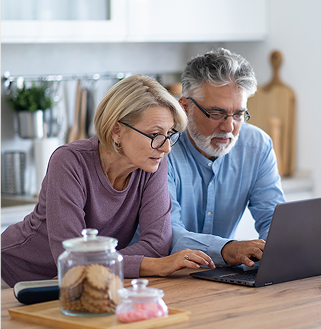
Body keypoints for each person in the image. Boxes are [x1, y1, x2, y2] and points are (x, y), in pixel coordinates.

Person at [1, 74, 215, 289]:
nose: (166, 147)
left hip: (86, 284)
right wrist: (152, 265)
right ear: (117, 131)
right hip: (13, 274)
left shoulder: (152, 162)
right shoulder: (69, 161)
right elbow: (71, 257)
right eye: (155, 134)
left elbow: (157, 245)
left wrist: (92, 266)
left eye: (169, 134)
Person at [167, 48, 286, 268]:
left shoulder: (257, 146)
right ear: (184, 107)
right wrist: (227, 249)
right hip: (164, 278)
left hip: (220, 279)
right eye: (216, 113)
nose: (229, 127)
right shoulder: (161, 148)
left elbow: (274, 220)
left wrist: (273, 252)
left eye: (239, 114)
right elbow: (167, 234)